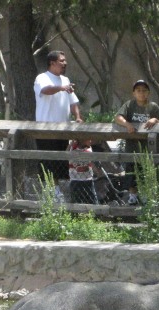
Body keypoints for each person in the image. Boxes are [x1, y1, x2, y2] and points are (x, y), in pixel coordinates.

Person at [34, 50, 82, 181]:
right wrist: (61, 88)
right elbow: (45, 90)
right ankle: (52, 193)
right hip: (46, 129)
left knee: (62, 163)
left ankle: (58, 191)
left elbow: (74, 101)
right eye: (62, 61)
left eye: (65, 60)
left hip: (63, 129)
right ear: (52, 63)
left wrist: (77, 117)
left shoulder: (65, 80)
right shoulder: (42, 78)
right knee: (49, 162)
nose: (65, 63)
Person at [113, 79, 159, 204]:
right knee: (131, 172)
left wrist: (154, 120)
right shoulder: (129, 105)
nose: (141, 93)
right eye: (138, 90)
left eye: (144, 90)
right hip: (132, 145)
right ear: (134, 93)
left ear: (148, 93)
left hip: (149, 146)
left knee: (149, 170)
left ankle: (149, 197)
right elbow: (118, 117)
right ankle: (132, 196)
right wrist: (127, 124)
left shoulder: (153, 107)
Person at [68, 139, 99, 204]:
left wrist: (97, 172)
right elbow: (66, 155)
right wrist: (71, 144)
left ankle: (94, 212)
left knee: (92, 201)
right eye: (89, 139)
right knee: (76, 202)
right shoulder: (72, 148)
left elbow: (91, 163)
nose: (91, 141)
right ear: (82, 139)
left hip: (88, 180)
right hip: (75, 180)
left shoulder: (89, 149)